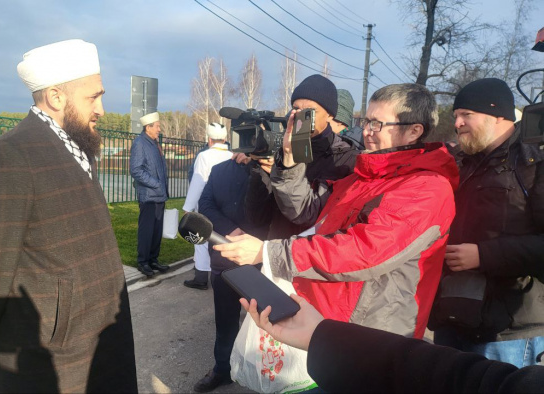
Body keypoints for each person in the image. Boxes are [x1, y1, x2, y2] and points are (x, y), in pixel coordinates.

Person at [0, 39, 137, 393]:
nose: (101, 109)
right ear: (56, 97)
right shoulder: (8, 157)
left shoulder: (75, 146)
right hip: (52, 356)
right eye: (92, 97)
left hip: (100, 337)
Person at [215, 83, 458, 339]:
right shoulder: (362, 177)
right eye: (366, 121)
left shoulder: (427, 188)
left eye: (377, 124)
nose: (366, 131)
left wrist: (269, 252)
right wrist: (288, 162)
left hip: (374, 332)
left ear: (413, 131)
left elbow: (365, 250)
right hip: (329, 319)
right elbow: (306, 212)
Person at [429, 78, 544, 367]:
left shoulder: (535, 166)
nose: (457, 123)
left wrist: (484, 255)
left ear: (499, 115)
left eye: (467, 114)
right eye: (456, 116)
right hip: (452, 318)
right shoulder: (459, 164)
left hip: (508, 334)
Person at [240, 295, 544, 393]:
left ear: (412, 138)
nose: (369, 139)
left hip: (505, 327)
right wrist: (322, 334)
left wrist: (275, 250)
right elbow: (460, 380)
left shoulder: (429, 181)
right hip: (360, 340)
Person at [191, 159, 267, 392]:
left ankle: (269, 373)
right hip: (226, 258)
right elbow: (205, 204)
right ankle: (223, 369)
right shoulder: (220, 169)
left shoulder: (276, 167)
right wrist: (231, 230)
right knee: (225, 322)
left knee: (268, 321)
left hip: (263, 258)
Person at [268, 75, 359, 232]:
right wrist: (257, 168)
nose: (301, 116)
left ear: (330, 115)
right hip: (273, 247)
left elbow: (310, 216)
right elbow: (260, 215)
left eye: (311, 111)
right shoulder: (283, 151)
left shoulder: (346, 160)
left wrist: (290, 166)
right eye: (296, 109)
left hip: (307, 251)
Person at [182, 123, 232, 290]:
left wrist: (188, 207)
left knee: (203, 239)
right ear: (225, 139)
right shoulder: (232, 155)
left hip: (207, 204)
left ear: (209, 140)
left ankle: (201, 277)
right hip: (228, 206)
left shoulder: (204, 156)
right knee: (226, 238)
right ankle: (226, 275)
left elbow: (197, 182)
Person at [130, 111, 170, 278]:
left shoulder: (153, 143)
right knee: (147, 230)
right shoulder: (140, 143)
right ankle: (143, 262)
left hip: (159, 195)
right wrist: (156, 184)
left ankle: (153, 260)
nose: (159, 129)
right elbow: (136, 170)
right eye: (157, 126)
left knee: (156, 230)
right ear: (148, 127)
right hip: (149, 196)